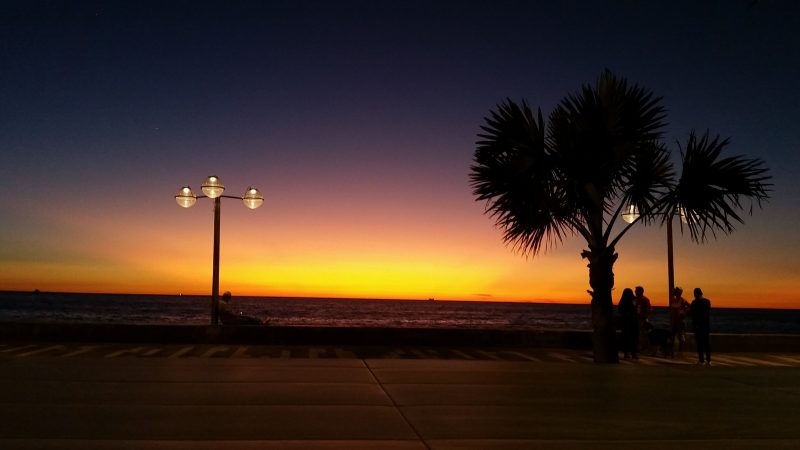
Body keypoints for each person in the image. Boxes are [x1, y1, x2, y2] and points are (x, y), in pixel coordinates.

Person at [691, 287, 712, 365]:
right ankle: (709, 360)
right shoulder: (707, 302)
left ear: (695, 294)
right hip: (706, 325)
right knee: (707, 343)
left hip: (698, 326)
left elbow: (692, 313)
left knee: (700, 343)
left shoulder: (694, 302)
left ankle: (701, 360)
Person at [617, 288, 639, 359]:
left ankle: (628, 353)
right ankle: (632, 353)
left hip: (627, 322)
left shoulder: (623, 301)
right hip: (631, 321)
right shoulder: (633, 299)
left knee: (627, 338)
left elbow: (620, 311)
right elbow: (636, 309)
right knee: (632, 338)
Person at [670, 286, 691, 353]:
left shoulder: (682, 300)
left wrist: (684, 313)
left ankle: (681, 351)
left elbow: (690, 306)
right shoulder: (673, 300)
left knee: (680, 335)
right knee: (673, 335)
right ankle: (672, 350)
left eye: (676, 292)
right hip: (674, 320)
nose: (675, 293)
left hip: (680, 320)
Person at [634, 286, 652, 350]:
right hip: (636, 318)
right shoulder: (635, 299)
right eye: (635, 291)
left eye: (636, 290)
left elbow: (648, 310)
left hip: (642, 319)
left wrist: (645, 318)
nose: (635, 292)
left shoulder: (645, 300)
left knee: (643, 333)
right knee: (637, 333)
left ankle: (644, 346)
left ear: (641, 291)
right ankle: (639, 346)